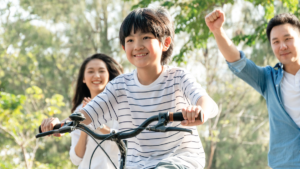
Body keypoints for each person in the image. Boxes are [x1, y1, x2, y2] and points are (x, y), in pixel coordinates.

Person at [43, 7, 218, 169]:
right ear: (123, 47)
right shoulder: (120, 86)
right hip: (137, 163)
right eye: (130, 40)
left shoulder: (178, 77)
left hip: (180, 158)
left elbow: (207, 102)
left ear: (165, 43)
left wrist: (199, 110)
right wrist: (60, 124)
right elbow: (88, 113)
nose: (137, 45)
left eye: (146, 37)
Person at [205, 10, 300, 168]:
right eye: (275, 41)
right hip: (286, 164)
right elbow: (237, 62)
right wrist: (217, 31)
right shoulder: (268, 79)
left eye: (288, 39)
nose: (282, 46)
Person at [41, 53, 123, 168]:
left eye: (101, 71)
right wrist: (84, 128)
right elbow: (76, 159)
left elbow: (127, 138)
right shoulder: (80, 110)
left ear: (109, 75)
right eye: (90, 71)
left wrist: (98, 124)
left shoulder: (121, 105)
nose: (96, 75)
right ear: (83, 78)